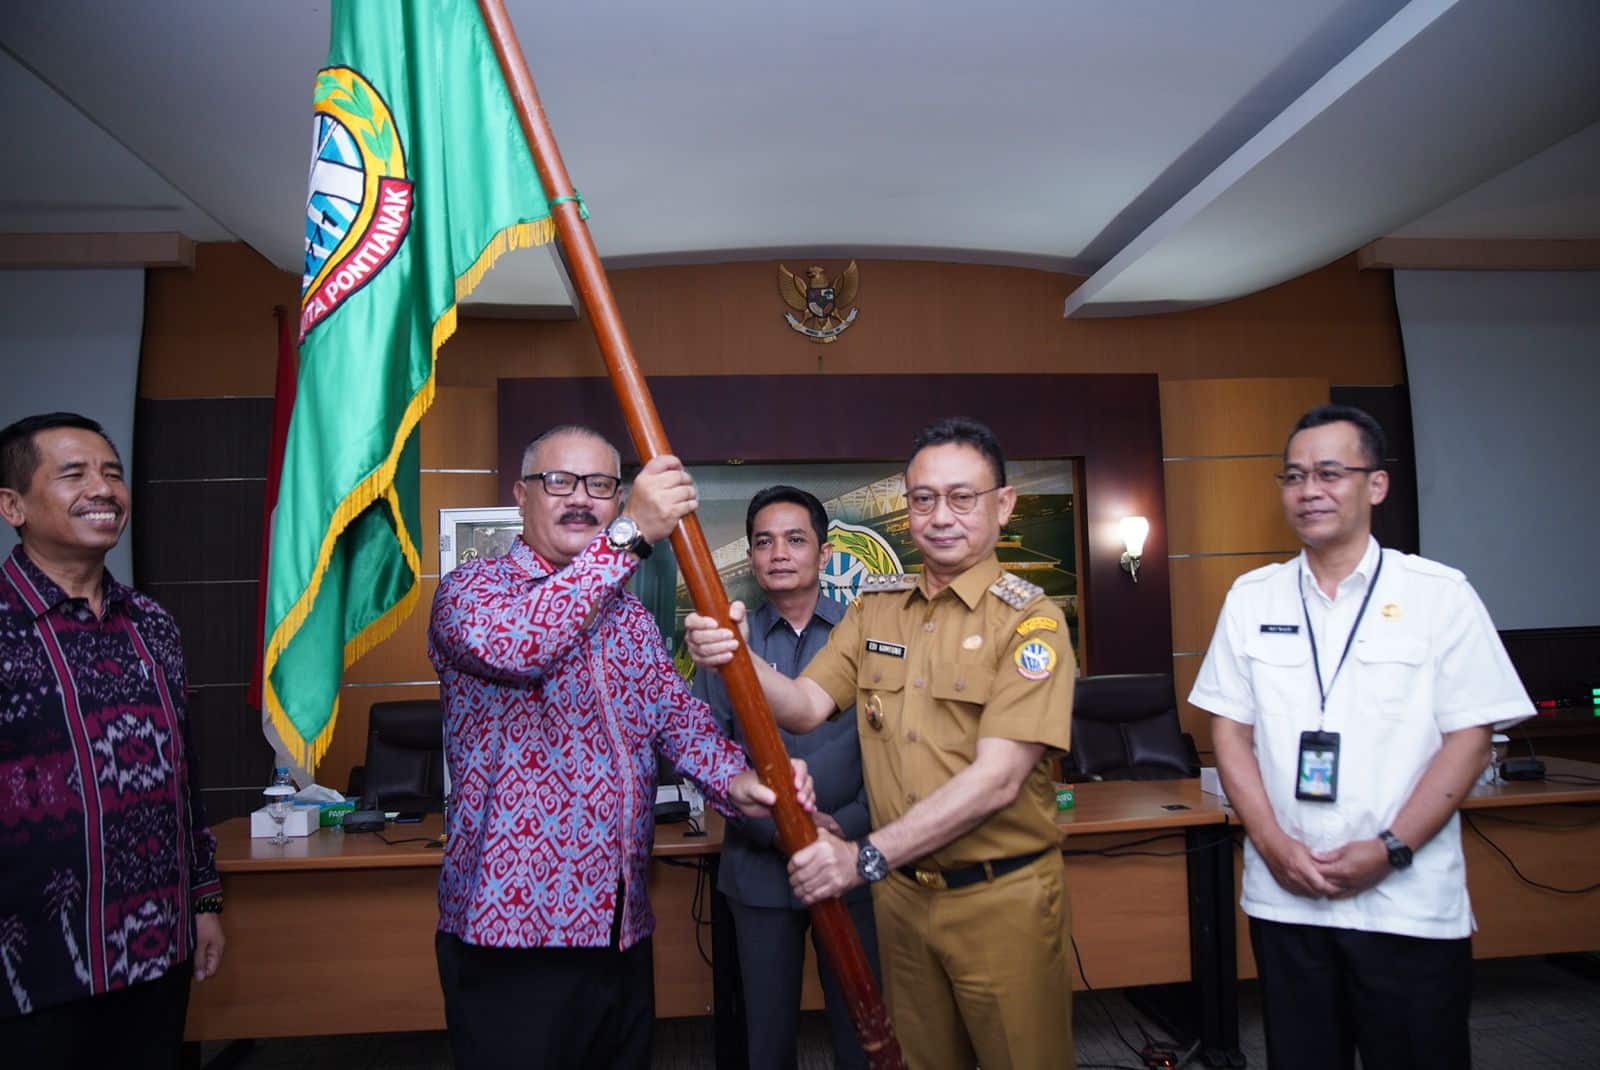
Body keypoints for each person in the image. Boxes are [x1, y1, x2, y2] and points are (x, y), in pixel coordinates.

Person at [686, 417, 1076, 1070]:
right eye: (922, 498)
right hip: (902, 900)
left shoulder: (1032, 622)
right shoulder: (878, 607)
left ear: (1003, 506)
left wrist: (861, 857)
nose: (939, 516)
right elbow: (806, 705)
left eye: (962, 497)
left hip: (997, 897)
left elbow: (999, 778)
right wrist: (738, 658)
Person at [427, 424, 814, 1070]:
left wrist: (742, 783)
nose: (581, 499)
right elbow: (522, 646)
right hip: (513, 933)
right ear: (520, 496)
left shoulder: (628, 615)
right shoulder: (472, 593)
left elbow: (677, 719)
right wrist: (629, 534)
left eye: (602, 486)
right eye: (560, 482)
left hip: (619, 928)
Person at [1189, 404, 1534, 1069]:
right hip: (1286, 899)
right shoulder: (1252, 597)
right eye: (1293, 476)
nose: (1308, 490)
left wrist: (1391, 847)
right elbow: (1227, 730)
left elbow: (1470, 737)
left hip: (1406, 902)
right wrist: (1271, 842)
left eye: (1328, 473)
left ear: (1375, 484)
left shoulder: (1440, 595)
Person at [0, 412, 225, 1068]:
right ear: (12, 504)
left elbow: (184, 774)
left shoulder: (151, 623)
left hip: (155, 952)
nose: (103, 489)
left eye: (112, 474)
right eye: (73, 474)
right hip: (30, 965)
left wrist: (204, 901)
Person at [691, 485, 880, 1070]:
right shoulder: (723, 647)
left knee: (864, 1030)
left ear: (824, 555)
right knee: (765, 1042)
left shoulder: (866, 640)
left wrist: (838, 830)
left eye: (796, 540)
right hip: (759, 871)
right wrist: (785, 831)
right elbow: (706, 754)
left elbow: (892, 759)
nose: (779, 553)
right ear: (750, 557)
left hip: (851, 863)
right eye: (764, 541)